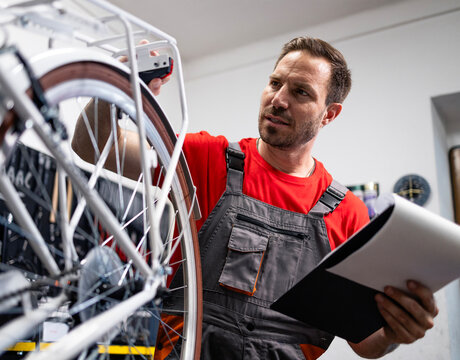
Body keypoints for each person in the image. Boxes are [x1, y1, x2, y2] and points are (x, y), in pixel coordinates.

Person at [72, 37, 439, 360]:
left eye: (300, 92)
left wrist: (394, 332)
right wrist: (116, 90)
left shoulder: (348, 213)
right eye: (275, 83)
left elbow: (367, 344)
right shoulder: (205, 157)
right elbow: (95, 146)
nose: (278, 100)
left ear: (330, 114)